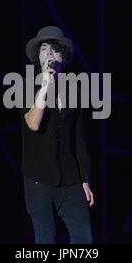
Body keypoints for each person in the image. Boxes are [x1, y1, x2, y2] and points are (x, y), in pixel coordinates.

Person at [20, 26, 94, 244]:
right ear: (38, 56)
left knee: (84, 239)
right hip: (38, 177)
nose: (50, 55)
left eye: (55, 50)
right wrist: (44, 87)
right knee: (45, 239)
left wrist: (85, 179)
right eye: (44, 50)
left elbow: (78, 140)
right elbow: (33, 124)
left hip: (70, 177)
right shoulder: (26, 87)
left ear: (63, 56)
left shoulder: (75, 93)